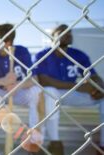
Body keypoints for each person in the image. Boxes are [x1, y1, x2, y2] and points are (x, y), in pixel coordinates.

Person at [35, 24, 104, 155]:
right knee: (49, 91)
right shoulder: (43, 54)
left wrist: (99, 86)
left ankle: (103, 145)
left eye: (70, 32)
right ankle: (55, 143)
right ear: (52, 37)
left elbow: (94, 76)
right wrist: (79, 86)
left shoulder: (78, 54)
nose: (68, 34)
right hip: (55, 93)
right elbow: (44, 81)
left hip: (75, 94)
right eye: (62, 32)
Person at [0, 23, 42, 155]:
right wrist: (3, 81)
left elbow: (34, 80)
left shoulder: (22, 52)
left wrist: (18, 85)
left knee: (36, 92)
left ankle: (34, 142)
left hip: (18, 92)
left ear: (8, 42)